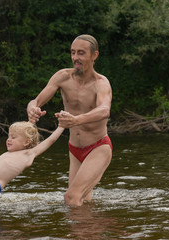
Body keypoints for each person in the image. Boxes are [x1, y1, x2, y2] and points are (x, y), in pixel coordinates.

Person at [27, 34, 112, 207]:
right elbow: (36, 100)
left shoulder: (101, 83)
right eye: (73, 53)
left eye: (81, 53)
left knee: (71, 198)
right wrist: (32, 109)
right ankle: (87, 233)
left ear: (94, 55)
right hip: (74, 150)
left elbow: (104, 110)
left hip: (98, 147)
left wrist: (77, 119)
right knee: (83, 201)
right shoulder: (62, 77)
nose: (75, 58)